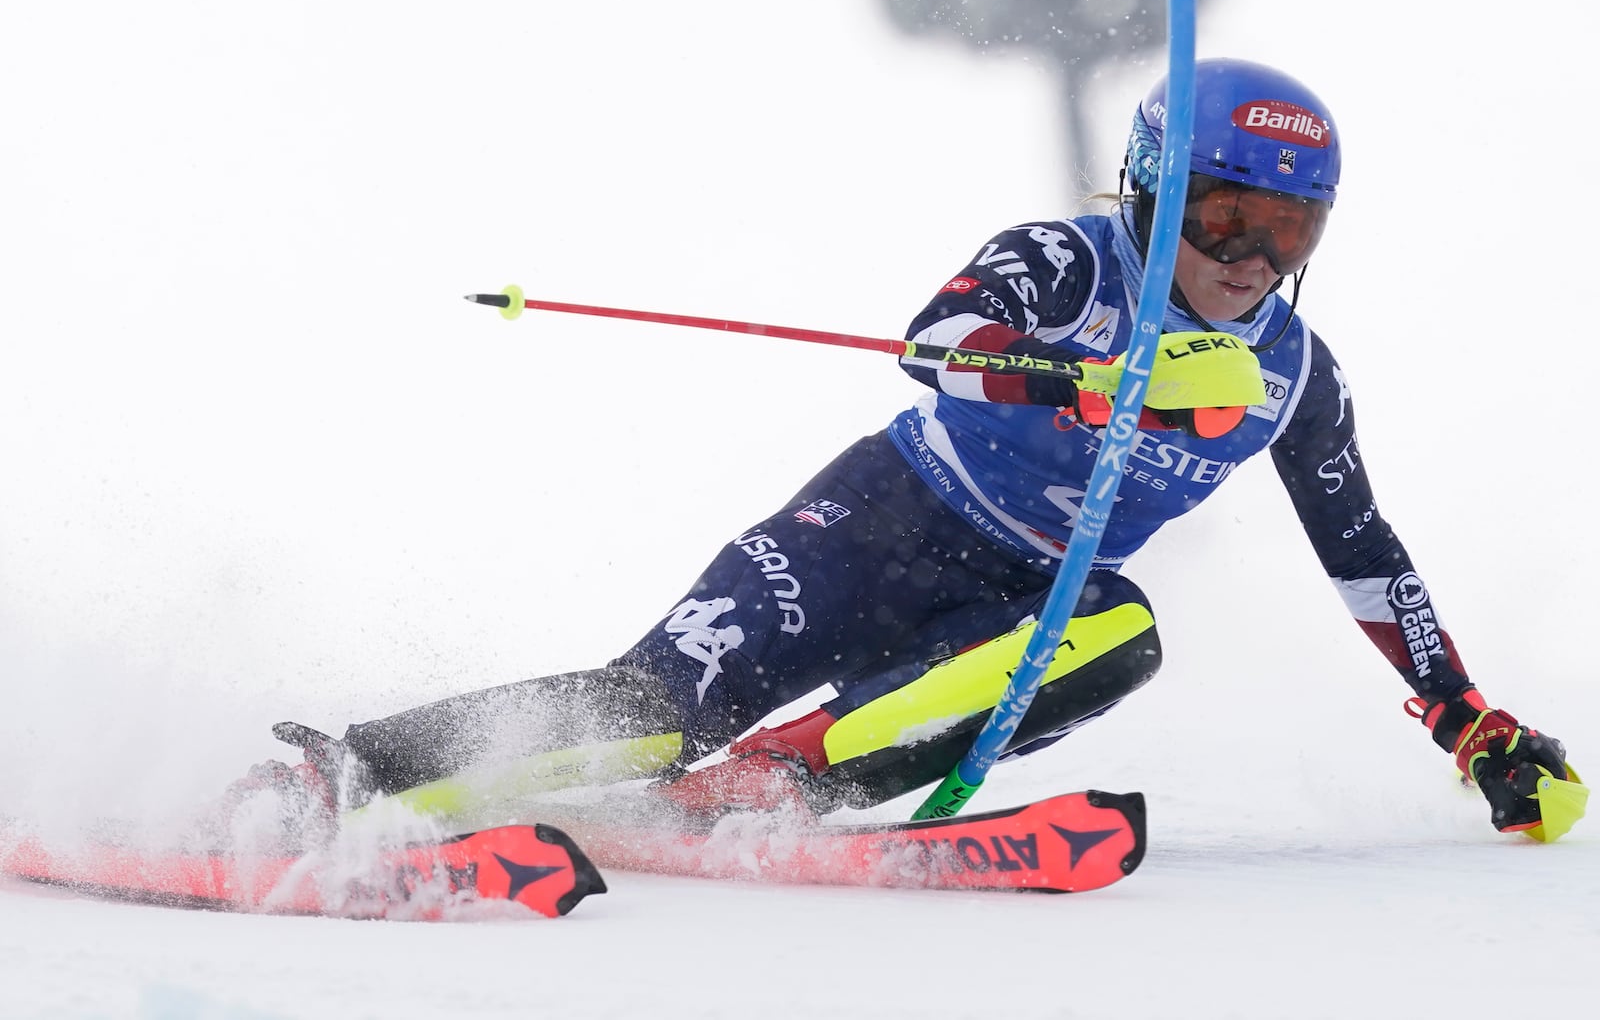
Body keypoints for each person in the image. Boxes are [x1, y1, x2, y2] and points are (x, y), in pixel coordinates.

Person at [244, 58, 1580, 843]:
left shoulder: (1294, 378)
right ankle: (341, 773)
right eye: (1222, 216)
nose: (1246, 260)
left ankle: (766, 793)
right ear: (1151, 187)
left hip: (1016, 606)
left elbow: (1365, 557)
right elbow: (938, 339)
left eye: (1286, 234)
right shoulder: (1072, 260)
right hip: (876, 527)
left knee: (1120, 628)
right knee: (652, 715)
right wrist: (1090, 381)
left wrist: (1468, 722)